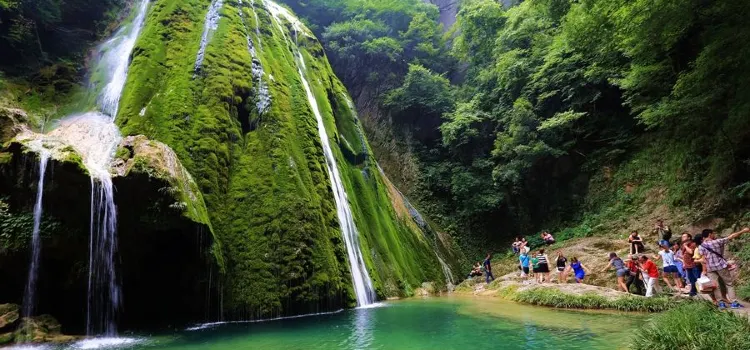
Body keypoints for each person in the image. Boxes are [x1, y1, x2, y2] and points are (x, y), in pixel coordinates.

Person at [698, 227, 750, 309]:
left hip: (710, 268)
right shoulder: (718, 241)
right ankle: (734, 303)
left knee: (715, 286)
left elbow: (703, 259)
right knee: (729, 284)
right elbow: (731, 236)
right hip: (720, 266)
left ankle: (721, 304)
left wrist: (704, 268)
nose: (714, 235)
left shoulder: (701, 246)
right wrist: (743, 231)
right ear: (710, 234)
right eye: (713, 233)